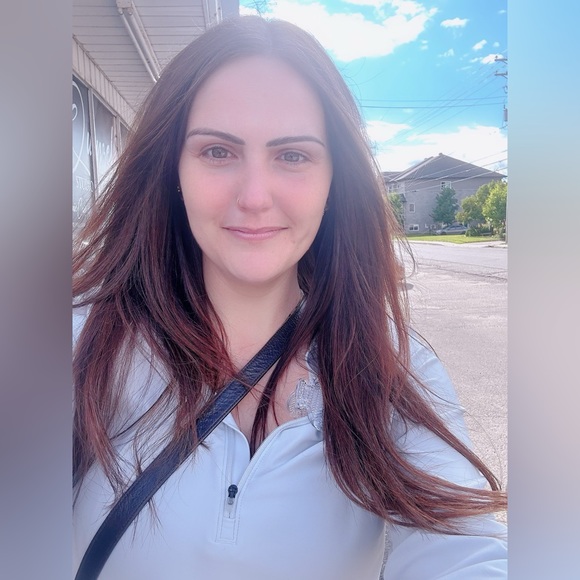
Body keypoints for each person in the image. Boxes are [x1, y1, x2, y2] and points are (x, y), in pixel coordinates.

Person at [73, 15, 507, 579]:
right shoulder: (81, 341)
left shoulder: (391, 365)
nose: (255, 196)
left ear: (334, 180)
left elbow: (463, 550)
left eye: (293, 156)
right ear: (172, 169)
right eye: (217, 151)